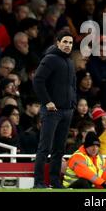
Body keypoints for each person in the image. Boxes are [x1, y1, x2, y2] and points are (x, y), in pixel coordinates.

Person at [32, 31, 77, 189]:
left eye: (70, 43)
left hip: (66, 110)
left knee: (59, 149)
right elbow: (38, 80)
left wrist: (73, 102)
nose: (68, 45)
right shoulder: (50, 59)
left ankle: (55, 182)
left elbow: (72, 85)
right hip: (52, 111)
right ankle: (38, 182)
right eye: (65, 42)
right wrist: (47, 102)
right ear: (57, 43)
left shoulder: (70, 62)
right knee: (44, 148)